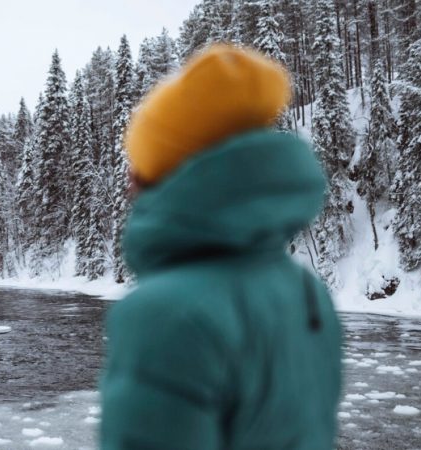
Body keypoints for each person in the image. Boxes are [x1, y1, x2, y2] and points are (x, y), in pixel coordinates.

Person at [100, 44, 343, 450]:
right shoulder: (306, 291)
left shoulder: (167, 315)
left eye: (139, 163)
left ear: (169, 172)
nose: (128, 181)